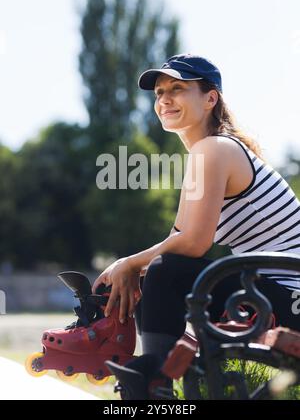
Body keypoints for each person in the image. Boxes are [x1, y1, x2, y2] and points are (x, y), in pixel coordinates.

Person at [92, 54, 300, 399]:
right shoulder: (206, 153)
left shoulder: (216, 149)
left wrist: (127, 263)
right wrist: (133, 268)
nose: (164, 100)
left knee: (165, 270)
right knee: (153, 272)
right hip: (269, 292)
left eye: (177, 89)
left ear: (210, 98)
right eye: (159, 93)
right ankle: (153, 374)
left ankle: (155, 383)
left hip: (291, 296)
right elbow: (178, 239)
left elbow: (192, 245)